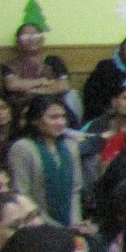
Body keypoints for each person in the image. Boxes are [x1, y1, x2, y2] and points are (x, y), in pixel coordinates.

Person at [7, 94, 91, 230]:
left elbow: (75, 190)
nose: (61, 122)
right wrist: (54, 227)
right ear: (35, 120)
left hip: (70, 225)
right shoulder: (22, 148)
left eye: (63, 117)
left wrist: (74, 224)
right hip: (34, 225)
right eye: (53, 117)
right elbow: (22, 194)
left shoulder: (70, 147)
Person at [0, 21, 75, 118]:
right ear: (17, 41)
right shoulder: (9, 65)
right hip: (22, 109)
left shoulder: (54, 61)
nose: (31, 40)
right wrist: (43, 81)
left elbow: (63, 86)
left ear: (42, 39)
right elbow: (13, 85)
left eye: (35, 36)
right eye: (26, 37)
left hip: (54, 108)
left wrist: (35, 91)